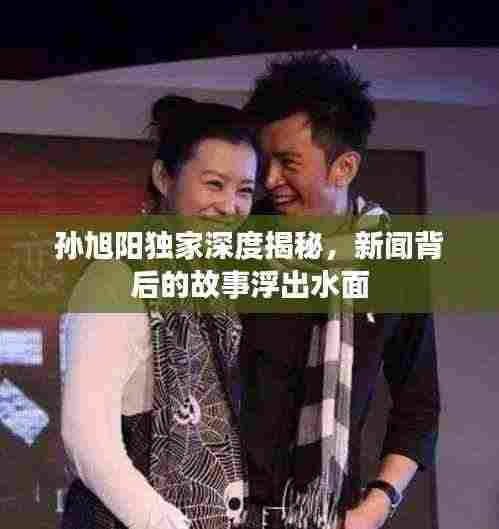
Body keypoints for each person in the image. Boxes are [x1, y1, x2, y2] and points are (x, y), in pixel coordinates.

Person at [240, 53, 440, 529]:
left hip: (330, 517)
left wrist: (377, 505)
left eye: (288, 163)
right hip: (222, 511)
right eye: (265, 161)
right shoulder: (237, 243)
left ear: (344, 167)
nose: (269, 181)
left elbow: (419, 404)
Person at [60, 95, 264, 529]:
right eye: (214, 184)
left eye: (244, 190)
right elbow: (87, 443)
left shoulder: (213, 287)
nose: (230, 206)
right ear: (163, 178)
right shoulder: (115, 280)